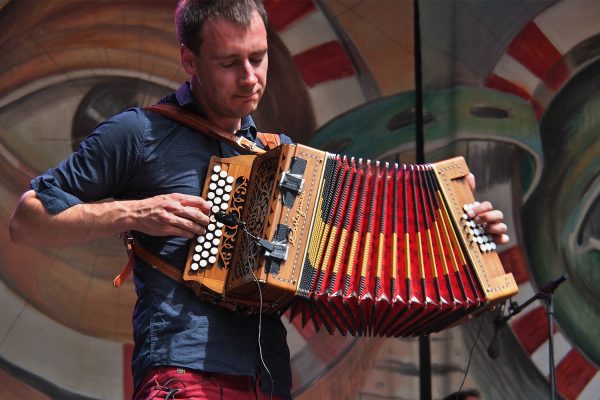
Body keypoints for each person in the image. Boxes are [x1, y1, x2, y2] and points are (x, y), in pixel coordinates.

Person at [8, 1, 509, 399]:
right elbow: (27, 219)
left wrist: (466, 238)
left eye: (258, 58)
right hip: (180, 373)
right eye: (229, 63)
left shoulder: (283, 160)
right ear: (189, 60)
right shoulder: (139, 133)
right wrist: (137, 211)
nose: (249, 77)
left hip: (267, 378)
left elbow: (365, 251)